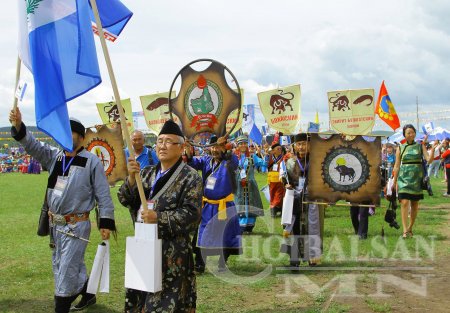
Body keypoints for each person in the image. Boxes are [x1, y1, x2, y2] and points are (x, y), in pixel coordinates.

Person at [9, 108, 115, 313]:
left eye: (71, 133)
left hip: (77, 225)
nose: (66, 136)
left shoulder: (91, 161)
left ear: (81, 137)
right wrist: (19, 126)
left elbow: (103, 193)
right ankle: (89, 293)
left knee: (65, 271)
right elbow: (32, 145)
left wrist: (106, 221)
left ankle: (61, 307)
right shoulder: (54, 157)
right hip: (56, 225)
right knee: (62, 264)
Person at [118, 120, 203, 313]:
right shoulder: (146, 173)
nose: (162, 146)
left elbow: (192, 215)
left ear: (181, 148)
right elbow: (125, 199)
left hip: (171, 254)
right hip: (143, 246)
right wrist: (131, 179)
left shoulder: (190, 177)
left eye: (168, 142)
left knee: (164, 305)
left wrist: (159, 217)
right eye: (159, 141)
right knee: (139, 301)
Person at [185, 135, 242, 272]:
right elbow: (192, 162)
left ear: (224, 147)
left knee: (225, 234)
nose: (215, 150)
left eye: (218, 147)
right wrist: (188, 149)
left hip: (224, 205)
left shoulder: (230, 162)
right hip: (208, 205)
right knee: (203, 233)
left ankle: (223, 262)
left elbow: (233, 159)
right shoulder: (206, 161)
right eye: (213, 146)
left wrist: (226, 148)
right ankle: (200, 262)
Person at [280, 133, 325, 267]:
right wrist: (285, 184)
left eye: (304, 144)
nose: (301, 147)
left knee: (311, 227)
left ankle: (313, 257)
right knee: (295, 227)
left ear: (310, 145)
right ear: (294, 146)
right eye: (298, 144)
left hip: (312, 199)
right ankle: (294, 258)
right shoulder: (290, 162)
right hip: (295, 199)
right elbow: (285, 178)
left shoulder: (317, 161)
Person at [392, 124, 433, 239]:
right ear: (404, 134)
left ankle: (410, 227)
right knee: (404, 202)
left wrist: (433, 149)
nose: (411, 134)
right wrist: (394, 182)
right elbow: (396, 166)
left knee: (414, 204)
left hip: (416, 179)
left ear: (415, 133)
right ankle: (405, 230)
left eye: (412, 132)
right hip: (403, 178)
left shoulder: (420, 146)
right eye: (408, 132)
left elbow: (429, 160)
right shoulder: (400, 147)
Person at [234, 135, 265, 233]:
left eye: (245, 143)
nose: (243, 145)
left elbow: (263, 163)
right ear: (237, 146)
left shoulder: (252, 156)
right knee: (239, 204)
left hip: (250, 186)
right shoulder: (234, 158)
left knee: (250, 204)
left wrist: (267, 155)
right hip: (238, 186)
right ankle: (241, 225)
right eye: (241, 144)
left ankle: (250, 226)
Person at [266, 142, 285, 217]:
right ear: (273, 151)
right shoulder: (270, 157)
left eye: (280, 148)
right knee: (272, 194)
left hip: (280, 179)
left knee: (279, 194)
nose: (280, 150)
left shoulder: (283, 157)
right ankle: (273, 208)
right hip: (271, 179)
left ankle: (276, 208)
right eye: (278, 149)